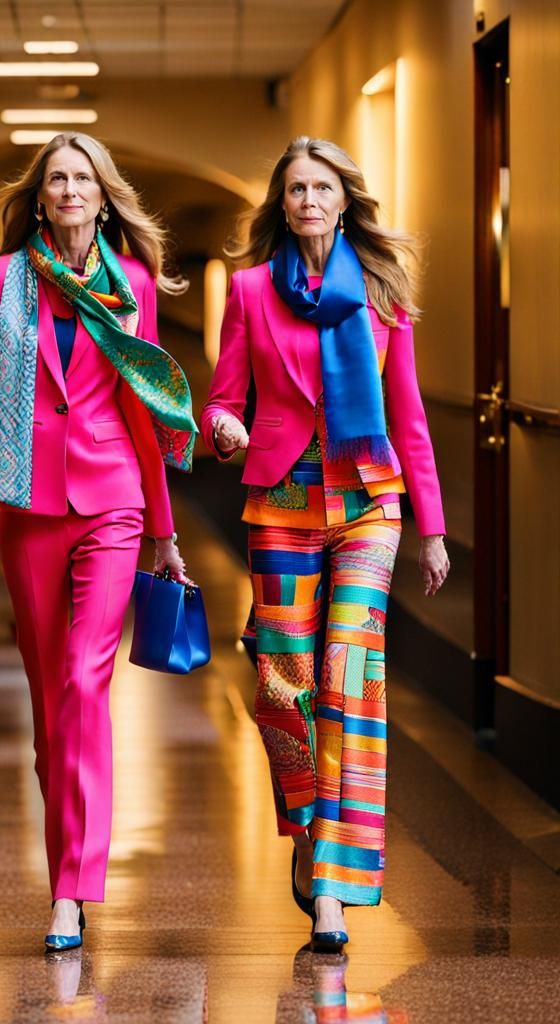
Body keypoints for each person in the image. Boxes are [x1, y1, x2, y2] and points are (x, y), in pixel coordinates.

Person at [0, 132, 197, 950]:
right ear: (40, 196)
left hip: (113, 495)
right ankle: (66, 856)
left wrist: (163, 529)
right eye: (59, 178)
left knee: (88, 681)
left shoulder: (133, 288)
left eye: (85, 177)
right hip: (25, 499)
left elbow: (146, 412)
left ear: (103, 193)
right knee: (53, 706)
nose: (72, 190)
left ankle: (72, 891)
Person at [201, 136, 450, 952]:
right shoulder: (247, 292)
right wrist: (226, 425)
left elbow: (408, 416)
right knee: (285, 679)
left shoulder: (382, 296)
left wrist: (436, 526)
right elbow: (223, 398)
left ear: (345, 201)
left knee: (350, 670)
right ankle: (306, 823)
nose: (308, 199)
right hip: (278, 500)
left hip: (368, 501)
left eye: (322, 187)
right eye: (296, 188)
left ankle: (337, 883)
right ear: (282, 203)